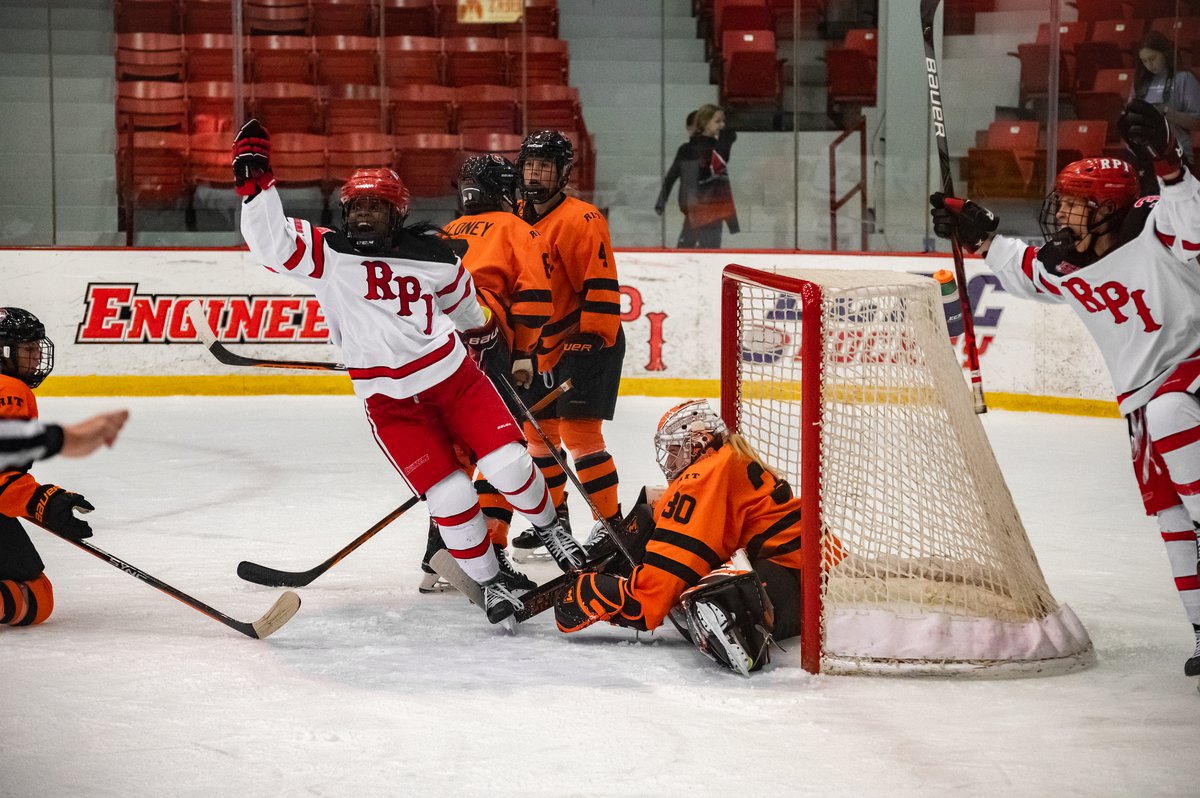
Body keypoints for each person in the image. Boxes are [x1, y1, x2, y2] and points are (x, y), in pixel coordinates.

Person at [231, 119, 584, 625]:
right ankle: (491, 580)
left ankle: (552, 530)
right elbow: (268, 243)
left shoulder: (436, 255)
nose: (365, 214)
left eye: (376, 206)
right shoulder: (326, 254)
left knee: (508, 464)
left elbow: (467, 310)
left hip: (455, 382)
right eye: (357, 206)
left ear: (396, 212)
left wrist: (488, 342)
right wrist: (257, 189)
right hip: (391, 404)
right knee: (452, 494)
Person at [928, 99, 1200, 679]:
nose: (1063, 214)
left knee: (1175, 414)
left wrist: (1171, 164)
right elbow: (1025, 268)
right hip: (1140, 401)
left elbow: (1191, 217)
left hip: (1191, 373)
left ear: (1108, 209)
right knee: (1172, 519)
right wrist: (978, 233)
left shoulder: (1158, 227)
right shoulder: (1067, 262)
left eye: (1077, 204)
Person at [553, 400, 843, 676]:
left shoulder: (702, 476)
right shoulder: (726, 458)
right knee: (682, 568)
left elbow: (655, 595)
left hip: (789, 580)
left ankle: (738, 626)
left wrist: (604, 592)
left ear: (699, 442)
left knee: (711, 600)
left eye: (676, 448)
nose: (671, 459)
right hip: (809, 574)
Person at [417, 153, 553, 594]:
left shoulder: (444, 231)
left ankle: (439, 555)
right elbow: (534, 297)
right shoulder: (518, 228)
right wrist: (525, 353)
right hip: (484, 335)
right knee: (498, 444)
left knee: (454, 452)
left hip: (433, 343)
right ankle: (479, 552)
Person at [511, 130, 625, 556]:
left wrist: (589, 343)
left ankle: (611, 529)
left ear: (563, 174)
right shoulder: (517, 215)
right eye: (530, 164)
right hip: (539, 349)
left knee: (580, 435)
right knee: (538, 435)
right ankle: (555, 524)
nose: (535, 173)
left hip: (588, 342)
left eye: (545, 165)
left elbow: (599, 287)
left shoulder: (582, 219)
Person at [1, 307, 122, 627]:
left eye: (37, 348)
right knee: (33, 596)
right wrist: (43, 501)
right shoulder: (9, 389)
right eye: (27, 349)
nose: (37, 357)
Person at [654, 104, 739, 248]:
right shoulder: (708, 149)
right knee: (697, 252)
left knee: (688, 251)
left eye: (723, 121)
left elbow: (723, 184)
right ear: (705, 123)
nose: (722, 125)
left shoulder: (696, 148)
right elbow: (671, 177)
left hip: (703, 210)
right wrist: (661, 202)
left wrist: (661, 203)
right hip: (703, 211)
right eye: (718, 121)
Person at [1131, 30, 1200, 170]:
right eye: (1144, 61)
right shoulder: (1140, 83)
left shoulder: (1185, 79)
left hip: (1177, 155)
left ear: (1165, 53)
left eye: (1153, 58)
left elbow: (1197, 124)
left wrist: (1164, 111)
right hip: (1146, 156)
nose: (1149, 65)